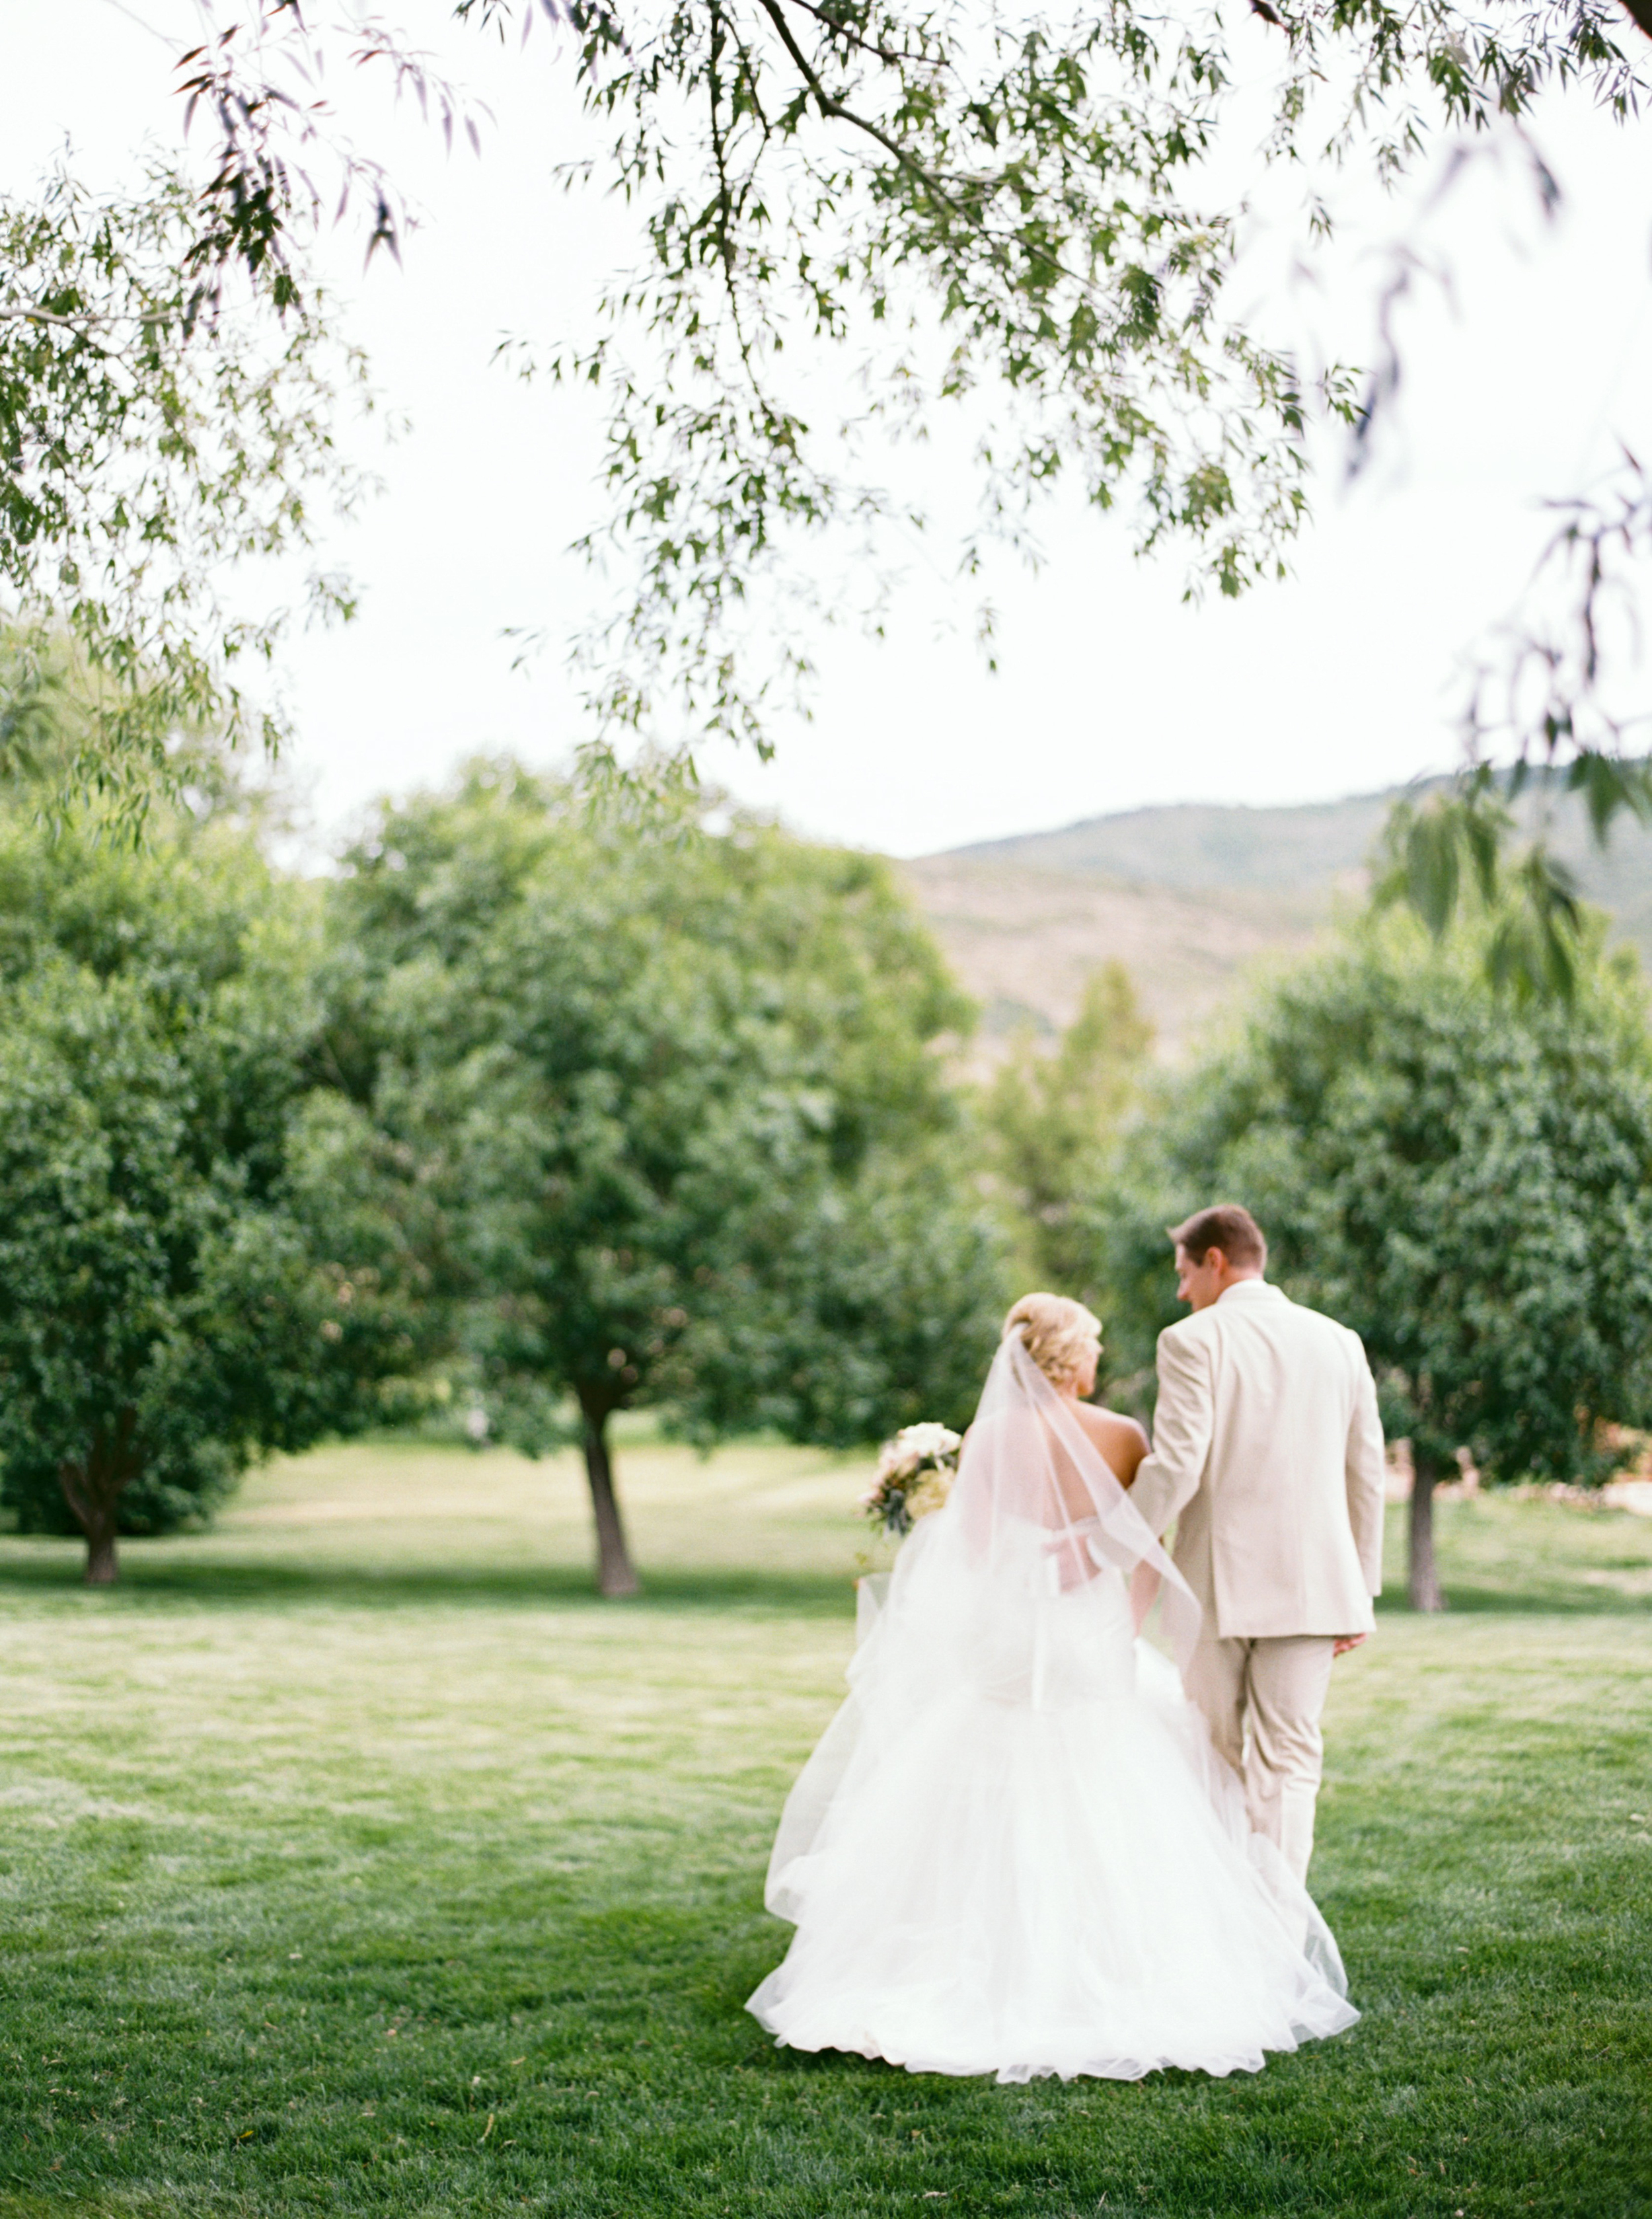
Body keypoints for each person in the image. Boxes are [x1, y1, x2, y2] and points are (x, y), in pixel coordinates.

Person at [746, 1293, 1359, 2084]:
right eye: (1094, 1345)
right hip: (1090, 1635)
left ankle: (973, 1959)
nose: (1100, 1357)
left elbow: (971, 1552)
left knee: (981, 1774)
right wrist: (1121, 1624)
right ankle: (1117, 1968)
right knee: (1113, 1771)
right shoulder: (1123, 1436)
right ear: (1072, 1357)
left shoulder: (992, 1439)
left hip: (1012, 1638)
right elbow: (1145, 1545)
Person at [1129, 1206, 1387, 1885]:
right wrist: (1359, 1586)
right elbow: (1367, 1472)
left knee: (1209, 1753)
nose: (1181, 1291)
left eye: (1184, 1273)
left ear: (1215, 1259)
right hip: (1314, 1590)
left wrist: (1110, 1542)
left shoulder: (1190, 1341)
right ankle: (1275, 1938)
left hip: (1215, 1587)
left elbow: (1177, 1466)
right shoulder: (1340, 1341)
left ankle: (1223, 1930)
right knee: (1290, 1764)